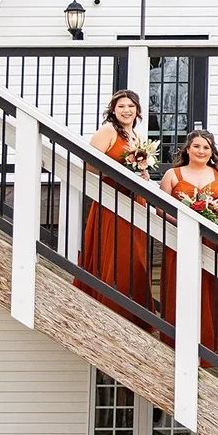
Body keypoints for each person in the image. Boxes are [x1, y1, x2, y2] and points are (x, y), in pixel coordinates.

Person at [76, 90, 153, 319]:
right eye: (121, 106)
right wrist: (120, 174)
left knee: (134, 256)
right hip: (112, 199)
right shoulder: (108, 131)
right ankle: (109, 306)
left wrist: (142, 175)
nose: (126, 110)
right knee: (113, 252)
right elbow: (89, 164)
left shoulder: (137, 137)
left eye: (131, 106)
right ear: (113, 110)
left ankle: (133, 312)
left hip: (134, 200)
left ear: (137, 110)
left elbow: (140, 168)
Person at [158, 128, 218, 354]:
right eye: (197, 146)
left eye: (206, 147)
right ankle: (177, 345)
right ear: (188, 149)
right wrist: (185, 221)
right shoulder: (173, 175)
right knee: (180, 289)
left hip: (212, 242)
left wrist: (217, 222)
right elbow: (161, 208)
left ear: (212, 152)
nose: (201, 151)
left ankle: (212, 349)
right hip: (180, 242)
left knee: (210, 292)